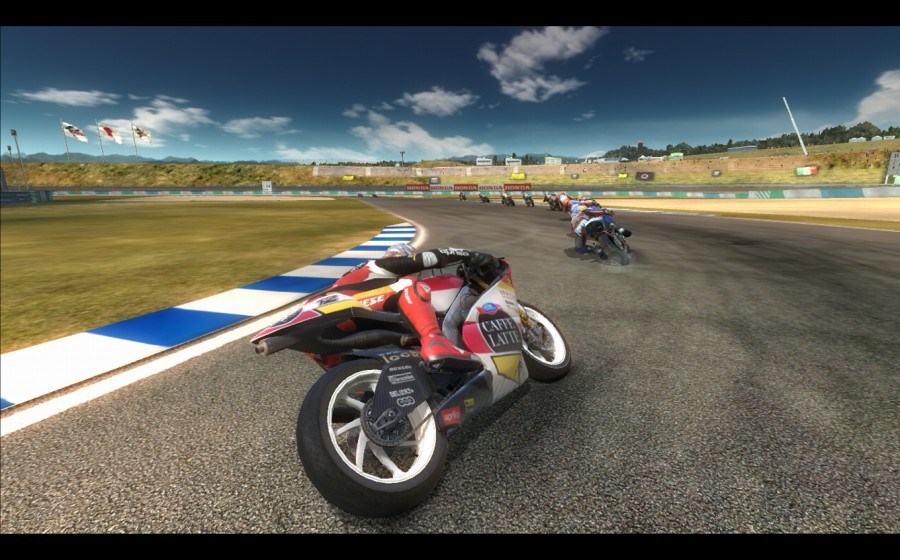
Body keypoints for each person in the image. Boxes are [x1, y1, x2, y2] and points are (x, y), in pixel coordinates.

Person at [314, 243, 497, 371]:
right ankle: (435, 341)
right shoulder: (378, 266)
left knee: (358, 388)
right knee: (409, 284)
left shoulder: (366, 280)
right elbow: (431, 257)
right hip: (334, 310)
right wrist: (470, 255)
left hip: (321, 330)